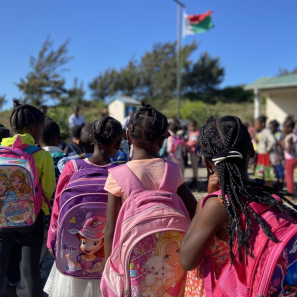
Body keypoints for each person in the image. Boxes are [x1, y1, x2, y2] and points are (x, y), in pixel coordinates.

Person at [179, 116, 297, 296]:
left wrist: (206, 200)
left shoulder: (217, 205)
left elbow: (187, 260)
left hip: (223, 289)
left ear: (206, 162)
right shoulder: (267, 195)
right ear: (251, 152)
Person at [104, 104, 197, 260]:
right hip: (172, 264)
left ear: (127, 136)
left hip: (133, 263)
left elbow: (110, 229)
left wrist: (108, 268)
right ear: (163, 140)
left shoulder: (118, 175)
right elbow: (194, 212)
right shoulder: (173, 170)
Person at [44, 116, 122, 297]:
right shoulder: (120, 172)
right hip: (107, 253)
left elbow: (58, 206)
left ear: (91, 139)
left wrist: (52, 238)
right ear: (118, 144)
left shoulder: (73, 167)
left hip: (72, 249)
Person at [0, 103, 56, 297]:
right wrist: (46, 213)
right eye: (41, 127)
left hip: (2, 218)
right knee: (30, 272)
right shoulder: (41, 155)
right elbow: (49, 190)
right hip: (31, 220)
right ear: (32, 128)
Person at [254, 115, 276, 186]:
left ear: (262, 123)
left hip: (264, 156)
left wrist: (268, 149)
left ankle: (269, 188)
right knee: (260, 174)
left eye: (257, 123)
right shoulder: (261, 132)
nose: (256, 125)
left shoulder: (267, 131)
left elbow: (273, 141)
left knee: (267, 175)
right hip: (260, 155)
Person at [281, 118, 297, 196]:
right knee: (289, 176)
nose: (282, 129)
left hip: (290, 159)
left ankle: (291, 194)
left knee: (289, 177)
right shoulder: (292, 135)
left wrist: (282, 144)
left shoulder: (290, 137)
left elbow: (288, 150)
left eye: (284, 127)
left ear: (290, 128)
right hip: (291, 158)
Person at [269, 120, 284, 190]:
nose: (270, 128)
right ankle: (278, 182)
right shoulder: (271, 133)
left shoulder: (279, 134)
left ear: (276, 127)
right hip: (273, 154)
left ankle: (280, 184)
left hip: (278, 154)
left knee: (279, 170)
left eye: (272, 127)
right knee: (276, 170)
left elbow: (276, 142)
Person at [186, 120, 199, 189]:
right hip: (190, 151)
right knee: (192, 166)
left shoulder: (197, 133)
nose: (192, 128)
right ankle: (193, 179)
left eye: (193, 126)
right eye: (190, 126)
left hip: (195, 152)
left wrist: (185, 144)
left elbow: (194, 142)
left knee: (195, 167)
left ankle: (195, 180)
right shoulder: (190, 133)